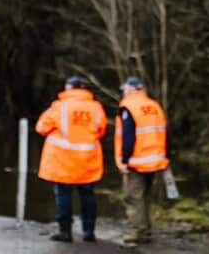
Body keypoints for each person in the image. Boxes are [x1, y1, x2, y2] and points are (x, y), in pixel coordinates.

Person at [36, 76, 107, 243]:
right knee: (88, 195)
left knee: (63, 195)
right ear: (82, 88)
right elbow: (101, 130)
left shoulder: (59, 107)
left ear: (68, 88)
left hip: (64, 161)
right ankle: (89, 232)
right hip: (88, 159)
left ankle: (65, 232)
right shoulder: (96, 108)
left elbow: (41, 127)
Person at [113, 76, 169, 245]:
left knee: (133, 197)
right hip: (154, 159)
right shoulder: (154, 106)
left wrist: (124, 160)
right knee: (144, 196)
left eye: (125, 89)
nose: (123, 92)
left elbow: (128, 137)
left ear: (132, 89)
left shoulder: (129, 107)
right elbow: (165, 133)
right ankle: (145, 230)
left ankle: (137, 232)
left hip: (137, 160)